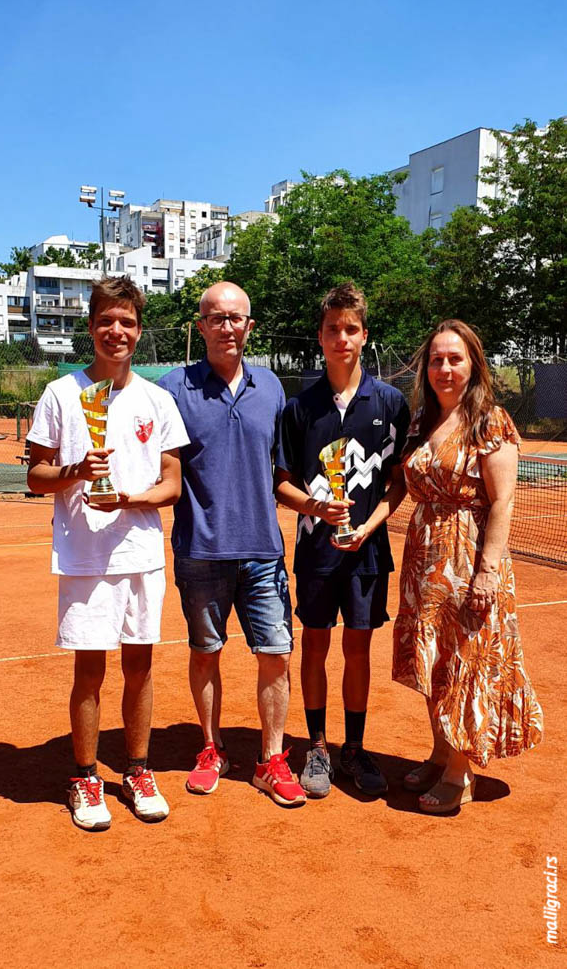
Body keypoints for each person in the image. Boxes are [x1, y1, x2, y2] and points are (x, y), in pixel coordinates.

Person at [27, 275, 188, 831]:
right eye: (106, 321)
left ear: (138, 332)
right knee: (89, 670)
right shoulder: (60, 393)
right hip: (85, 557)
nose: (115, 331)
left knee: (141, 668)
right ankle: (85, 776)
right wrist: (74, 472)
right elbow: (35, 476)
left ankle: (137, 769)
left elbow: (172, 483)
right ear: (90, 327)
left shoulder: (158, 399)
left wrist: (129, 498)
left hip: (141, 553)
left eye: (126, 322)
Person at [158, 281, 305, 807]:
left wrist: (318, 504)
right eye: (215, 318)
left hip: (264, 552)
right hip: (199, 551)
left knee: (276, 655)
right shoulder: (175, 388)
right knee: (205, 653)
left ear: (249, 326)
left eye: (235, 318)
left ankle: (271, 759)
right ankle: (210, 748)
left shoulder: (271, 388)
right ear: (200, 327)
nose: (226, 327)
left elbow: (284, 469)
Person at [392, 319, 544, 814]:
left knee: (464, 662)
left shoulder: (489, 420)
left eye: (455, 358)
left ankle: (460, 771)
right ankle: (440, 749)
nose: (444, 368)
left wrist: (487, 571)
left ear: (474, 364)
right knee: (433, 660)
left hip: (468, 557)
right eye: (436, 359)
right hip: (424, 558)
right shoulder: (421, 421)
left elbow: (501, 503)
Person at [275, 283, 410, 798]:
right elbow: (281, 480)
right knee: (314, 644)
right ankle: (317, 746)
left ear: (364, 336)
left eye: (350, 329)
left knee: (358, 649)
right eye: (333, 329)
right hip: (315, 552)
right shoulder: (299, 408)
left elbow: (397, 482)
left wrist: (370, 527)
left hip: (368, 554)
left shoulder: (391, 404)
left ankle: (354, 748)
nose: (341, 338)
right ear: (321, 336)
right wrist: (314, 507)